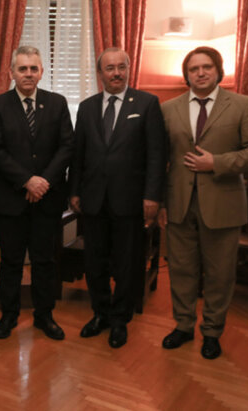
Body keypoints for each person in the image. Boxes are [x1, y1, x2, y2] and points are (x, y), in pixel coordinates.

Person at [158, 46, 248, 359]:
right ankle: (182, 326)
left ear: (218, 71)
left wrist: (217, 162)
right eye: (194, 69)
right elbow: (161, 158)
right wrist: (162, 202)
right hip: (179, 201)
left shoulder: (242, 105)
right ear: (186, 74)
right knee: (181, 270)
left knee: (220, 273)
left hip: (224, 204)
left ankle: (212, 332)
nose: (201, 73)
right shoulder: (169, 109)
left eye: (207, 67)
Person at [69, 47, 168, 348]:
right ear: (100, 74)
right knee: (94, 261)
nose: (116, 73)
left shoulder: (148, 103)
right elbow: (79, 154)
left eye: (121, 67)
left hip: (131, 200)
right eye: (109, 68)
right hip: (93, 199)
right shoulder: (86, 107)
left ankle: (120, 319)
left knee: (127, 262)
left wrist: (152, 196)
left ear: (128, 69)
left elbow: (156, 154)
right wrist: (74, 190)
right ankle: (100, 313)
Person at [0, 46, 74, 340]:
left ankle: (44, 315)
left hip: (47, 198)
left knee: (45, 260)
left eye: (33, 68)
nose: (28, 74)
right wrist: (27, 181)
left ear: (41, 72)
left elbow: (66, 146)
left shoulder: (57, 103)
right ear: (11, 72)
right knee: (10, 261)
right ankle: (9, 315)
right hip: (10, 198)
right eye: (22, 69)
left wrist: (43, 182)